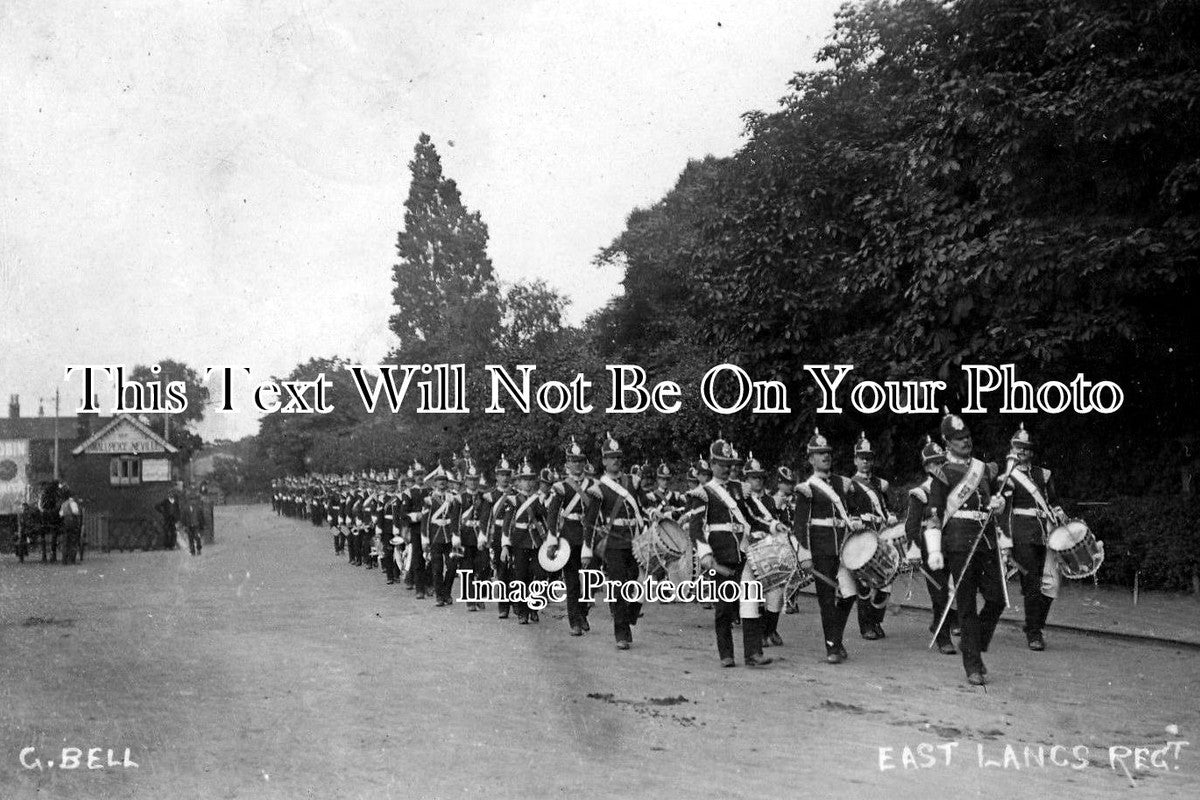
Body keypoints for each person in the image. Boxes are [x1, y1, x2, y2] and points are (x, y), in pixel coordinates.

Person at [924, 411, 1007, 686]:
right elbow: (934, 514)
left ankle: (974, 644)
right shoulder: (942, 473)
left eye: (968, 437)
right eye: (959, 439)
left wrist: (999, 504)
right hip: (958, 543)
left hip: (985, 541)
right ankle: (973, 664)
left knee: (996, 598)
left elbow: (996, 496)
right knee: (967, 605)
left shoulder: (981, 469)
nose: (965, 442)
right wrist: (934, 549)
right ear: (947, 442)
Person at [689, 438, 773, 667]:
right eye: (723, 463)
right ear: (712, 463)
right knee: (724, 608)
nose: (727, 468)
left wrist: (773, 526)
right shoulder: (703, 493)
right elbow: (696, 526)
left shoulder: (740, 489)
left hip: (744, 553)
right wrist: (705, 555)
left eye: (730, 463)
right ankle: (726, 654)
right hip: (720, 556)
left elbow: (754, 517)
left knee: (750, 602)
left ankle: (753, 653)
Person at [792, 429, 866, 664]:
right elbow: (800, 524)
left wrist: (856, 520)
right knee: (826, 600)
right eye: (819, 453)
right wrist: (804, 553)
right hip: (821, 548)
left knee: (849, 594)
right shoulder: (807, 488)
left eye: (827, 453)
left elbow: (857, 510)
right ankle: (832, 647)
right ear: (811, 459)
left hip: (843, 547)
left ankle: (836, 638)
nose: (825, 457)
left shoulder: (843, 484)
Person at [1000, 423, 1068, 651]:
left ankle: (1034, 624)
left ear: (1032, 451)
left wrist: (1058, 511)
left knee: (1051, 583)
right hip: (1021, 534)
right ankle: (1034, 633)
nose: (1023, 452)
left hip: (1046, 533)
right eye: (1019, 448)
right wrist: (1006, 543)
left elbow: (1053, 501)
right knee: (1031, 584)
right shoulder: (1008, 477)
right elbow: (1005, 512)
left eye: (1027, 448)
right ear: (1012, 449)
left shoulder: (1043, 474)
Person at [583, 433, 645, 650]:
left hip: (634, 540)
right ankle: (621, 632)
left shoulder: (632, 482)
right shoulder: (599, 488)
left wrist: (652, 516)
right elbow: (590, 523)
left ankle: (628, 617)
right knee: (618, 583)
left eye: (618, 457)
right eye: (611, 457)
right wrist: (587, 550)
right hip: (613, 541)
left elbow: (642, 508)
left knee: (635, 581)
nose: (616, 461)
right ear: (604, 461)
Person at [906, 436, 957, 655]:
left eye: (943, 462)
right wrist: (914, 549)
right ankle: (943, 637)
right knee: (940, 593)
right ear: (927, 467)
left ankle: (939, 625)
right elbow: (912, 525)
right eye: (935, 463)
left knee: (954, 591)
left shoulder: (954, 490)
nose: (940, 467)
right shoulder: (921, 493)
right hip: (930, 548)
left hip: (954, 545)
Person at [850, 433, 897, 641]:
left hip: (881, 533)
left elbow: (887, 508)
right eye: (862, 457)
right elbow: (848, 511)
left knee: (886, 579)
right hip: (863, 536)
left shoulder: (880, 484)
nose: (865, 461)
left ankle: (877, 620)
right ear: (855, 460)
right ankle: (866, 625)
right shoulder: (850, 485)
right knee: (866, 583)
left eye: (869, 458)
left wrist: (891, 516)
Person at [546, 437, 594, 635]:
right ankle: (574, 621)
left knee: (592, 581)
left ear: (584, 463)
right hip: (569, 536)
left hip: (589, 536)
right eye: (573, 461)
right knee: (572, 582)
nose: (577, 464)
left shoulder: (593, 485)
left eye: (580, 461)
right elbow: (552, 514)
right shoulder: (561, 487)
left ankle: (582, 612)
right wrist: (552, 540)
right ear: (567, 464)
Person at [503, 458, 547, 624]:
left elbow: (544, 520)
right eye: (524, 480)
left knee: (539, 574)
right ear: (518, 482)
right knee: (521, 576)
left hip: (536, 541)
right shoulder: (513, 500)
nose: (527, 483)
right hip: (519, 541)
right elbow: (507, 525)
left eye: (530, 480)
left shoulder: (538, 499)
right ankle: (522, 611)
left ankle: (533, 607)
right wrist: (506, 546)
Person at [58, 485, 82, 565]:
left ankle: (64, 559)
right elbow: (76, 512)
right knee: (73, 541)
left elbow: (60, 514)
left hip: (65, 524)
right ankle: (72, 559)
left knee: (65, 541)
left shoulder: (64, 504)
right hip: (73, 524)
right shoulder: (72, 503)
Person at [182, 489, 206, 555]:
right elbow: (183, 517)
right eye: (191, 500)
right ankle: (192, 551)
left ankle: (198, 548)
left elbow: (201, 517)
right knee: (190, 539)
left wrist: (202, 525)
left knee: (197, 538)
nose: (193, 501)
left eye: (194, 499)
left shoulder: (198, 508)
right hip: (189, 526)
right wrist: (184, 525)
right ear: (189, 501)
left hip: (196, 525)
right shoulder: (185, 508)